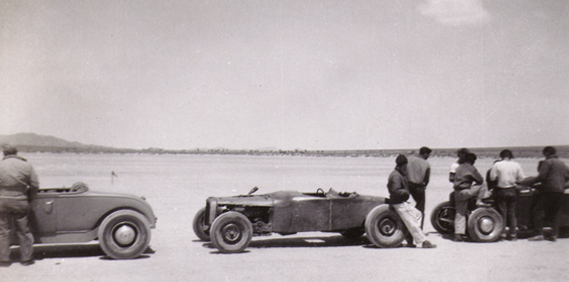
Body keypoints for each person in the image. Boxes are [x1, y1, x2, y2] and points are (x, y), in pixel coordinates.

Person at [0, 145, 39, 266]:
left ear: (4, 153)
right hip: (21, 201)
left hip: (3, 202)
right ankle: (26, 259)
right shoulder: (26, 165)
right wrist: (28, 198)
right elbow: (34, 185)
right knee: (23, 231)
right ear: (16, 152)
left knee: (3, 231)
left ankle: (4, 260)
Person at [386, 154, 436, 248]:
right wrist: (406, 193)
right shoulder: (396, 175)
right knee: (411, 221)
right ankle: (422, 241)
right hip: (398, 203)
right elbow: (395, 191)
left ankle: (409, 236)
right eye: (405, 165)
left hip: (401, 202)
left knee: (418, 214)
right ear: (403, 165)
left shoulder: (398, 174)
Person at [528, 146, 569, 242]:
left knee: (538, 210)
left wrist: (528, 182)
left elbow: (541, 177)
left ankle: (539, 234)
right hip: (559, 191)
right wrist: (562, 185)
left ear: (546, 153)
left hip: (548, 191)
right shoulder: (562, 163)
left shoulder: (547, 162)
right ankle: (554, 235)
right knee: (554, 213)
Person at [489, 149, 525, 240]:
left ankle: (502, 234)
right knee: (512, 213)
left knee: (502, 213)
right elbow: (521, 178)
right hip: (512, 190)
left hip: (501, 190)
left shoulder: (497, 165)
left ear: (501, 156)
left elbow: (492, 178)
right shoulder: (516, 165)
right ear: (510, 156)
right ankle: (513, 234)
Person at [452, 152, 489, 242]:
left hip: (457, 192)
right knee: (483, 184)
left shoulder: (458, 168)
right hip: (465, 191)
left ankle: (458, 234)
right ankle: (479, 201)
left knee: (460, 213)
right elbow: (480, 179)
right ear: (472, 160)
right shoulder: (470, 168)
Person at [405, 146, 432, 229]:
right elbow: (426, 179)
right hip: (418, 187)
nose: (428, 157)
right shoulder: (426, 164)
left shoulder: (410, 159)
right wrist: (424, 186)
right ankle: (419, 227)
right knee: (420, 207)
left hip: (407, 185)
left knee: (403, 205)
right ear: (425, 153)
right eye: (428, 155)